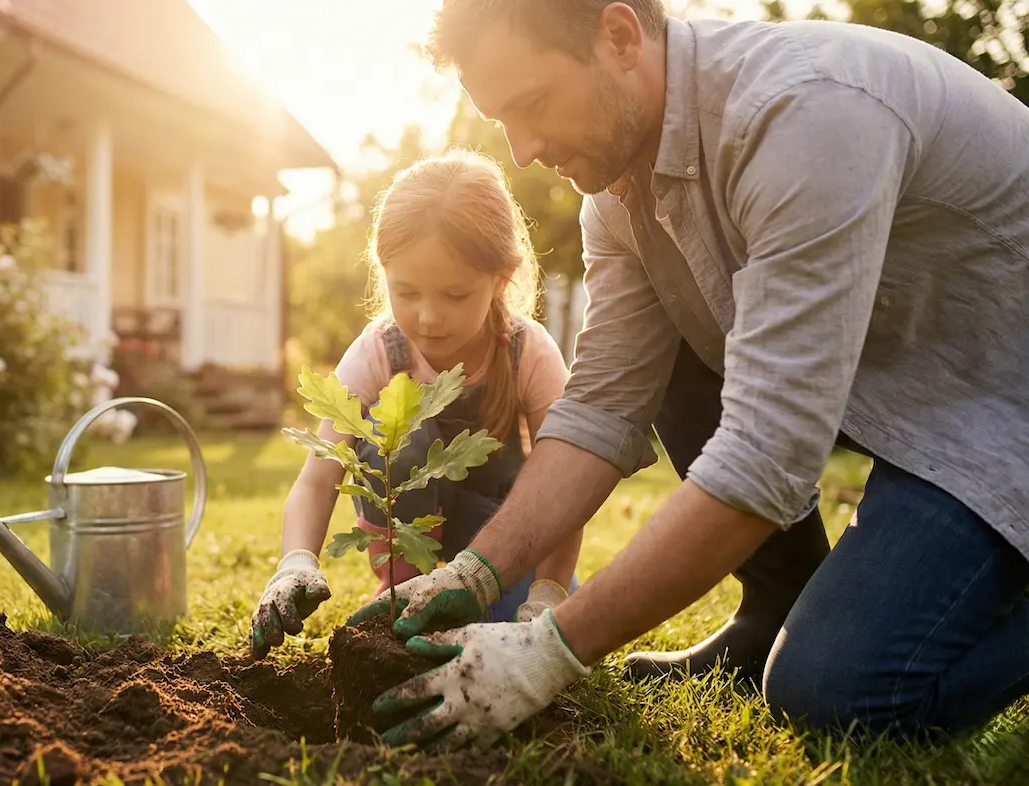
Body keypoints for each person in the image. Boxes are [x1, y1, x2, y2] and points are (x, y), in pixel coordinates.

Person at [348, 0, 1029, 750]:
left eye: (532, 104)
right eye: (502, 119)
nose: (524, 150)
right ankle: (775, 605)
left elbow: (767, 452)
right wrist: (475, 574)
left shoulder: (803, 115)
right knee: (670, 343)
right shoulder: (616, 193)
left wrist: (549, 652)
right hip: (922, 386)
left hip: (1003, 409)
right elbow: (603, 405)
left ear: (619, 36)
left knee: (835, 696)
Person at [249, 149, 585, 660]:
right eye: (406, 292)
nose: (428, 317)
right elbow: (317, 479)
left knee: (504, 631)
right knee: (403, 444)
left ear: (500, 279)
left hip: (503, 542)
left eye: (455, 295)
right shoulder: (380, 350)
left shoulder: (527, 351)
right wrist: (295, 563)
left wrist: (546, 595)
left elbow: (563, 487)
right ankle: (401, 598)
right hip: (408, 548)